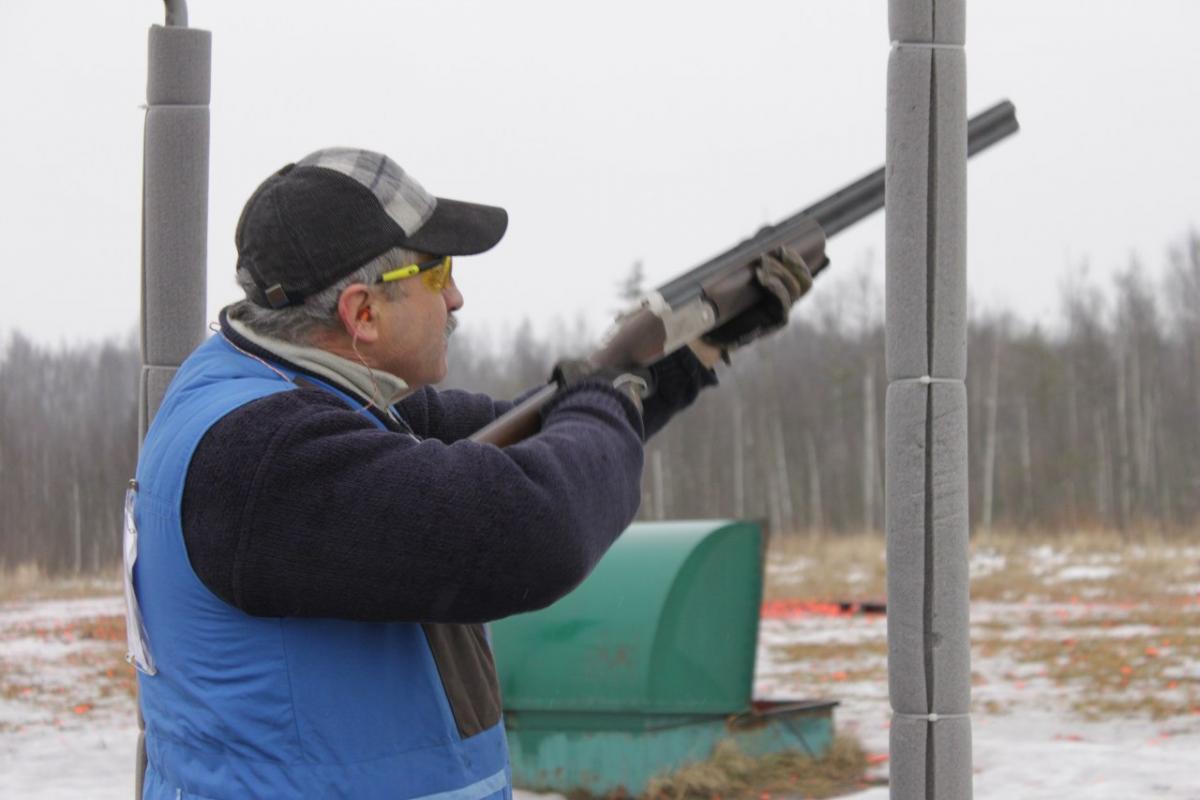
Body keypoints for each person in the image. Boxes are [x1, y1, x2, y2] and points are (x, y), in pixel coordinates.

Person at [128, 147, 807, 800]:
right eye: (437, 273)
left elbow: (536, 431)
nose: (455, 298)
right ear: (362, 312)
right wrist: (605, 391)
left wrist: (693, 349)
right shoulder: (265, 457)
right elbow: (537, 525)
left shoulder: (310, 397)